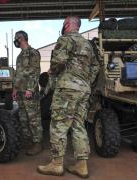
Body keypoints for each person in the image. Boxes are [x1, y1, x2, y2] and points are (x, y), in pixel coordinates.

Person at [37, 16, 99, 178]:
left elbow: (59, 61)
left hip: (67, 89)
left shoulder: (65, 39)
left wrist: (53, 72)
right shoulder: (88, 44)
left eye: (64, 23)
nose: (63, 26)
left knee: (59, 124)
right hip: (84, 90)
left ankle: (57, 164)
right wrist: (85, 82)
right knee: (78, 125)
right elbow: (96, 67)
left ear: (68, 25)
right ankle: (81, 165)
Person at [12, 30, 43, 155]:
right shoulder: (19, 56)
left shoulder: (33, 53)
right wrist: (15, 89)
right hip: (20, 91)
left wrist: (30, 89)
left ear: (22, 38)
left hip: (29, 91)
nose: (15, 41)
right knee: (23, 118)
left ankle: (37, 143)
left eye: (16, 38)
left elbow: (35, 72)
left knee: (33, 118)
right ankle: (28, 141)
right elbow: (18, 74)